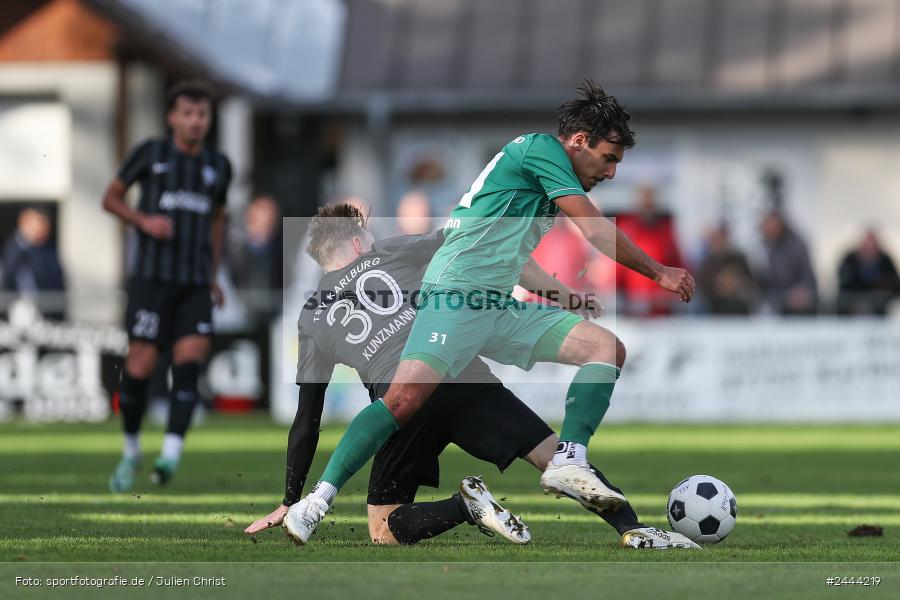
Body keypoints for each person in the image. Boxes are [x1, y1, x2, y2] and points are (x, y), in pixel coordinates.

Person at [287, 80, 695, 544]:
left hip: (494, 305)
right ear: (580, 142)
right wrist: (659, 272)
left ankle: (593, 484)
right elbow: (595, 229)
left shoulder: (540, 184)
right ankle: (315, 502)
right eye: (609, 158)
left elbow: (512, 259)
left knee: (605, 348)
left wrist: (564, 295)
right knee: (401, 401)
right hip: (456, 294)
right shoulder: (541, 149)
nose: (612, 172)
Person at [245, 203, 696, 549]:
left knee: (384, 528)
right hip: (457, 369)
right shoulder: (390, 250)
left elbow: (307, 420)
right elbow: (470, 240)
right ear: (359, 243)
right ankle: (632, 528)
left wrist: (289, 498)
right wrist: (555, 288)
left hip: (400, 403)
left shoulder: (310, 318)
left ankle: (465, 507)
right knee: (554, 456)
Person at [102, 81, 232, 491]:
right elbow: (110, 198)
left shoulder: (218, 166)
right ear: (172, 117)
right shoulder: (150, 153)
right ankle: (131, 450)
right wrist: (142, 220)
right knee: (140, 366)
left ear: (208, 120)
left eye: (202, 115)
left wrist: (213, 275)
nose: (195, 121)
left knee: (189, 362)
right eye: (188, 114)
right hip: (151, 280)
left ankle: (170, 455)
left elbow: (217, 219)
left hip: (194, 284)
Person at [615, 185, 684, 316]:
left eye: (650, 203)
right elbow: (618, 268)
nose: (647, 207)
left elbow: (678, 264)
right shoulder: (627, 231)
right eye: (644, 202)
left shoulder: (665, 232)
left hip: (661, 307)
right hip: (633, 306)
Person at [0, 208, 67, 320]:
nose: (44, 232)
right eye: (40, 227)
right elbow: (7, 279)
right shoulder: (11, 249)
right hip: (17, 308)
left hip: (46, 309)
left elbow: (57, 280)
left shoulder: (47, 250)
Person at [758, 211, 817, 315]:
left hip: (795, 303)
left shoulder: (796, 245)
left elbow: (806, 273)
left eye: (771, 225)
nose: (768, 229)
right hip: (773, 302)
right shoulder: (763, 246)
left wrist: (802, 290)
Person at [836, 229, 900, 316]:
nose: (869, 247)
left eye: (872, 244)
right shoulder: (849, 260)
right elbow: (844, 282)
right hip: (852, 305)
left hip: (880, 308)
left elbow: (894, 283)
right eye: (867, 244)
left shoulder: (886, 261)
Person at [696, 225, 756, 315]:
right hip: (714, 306)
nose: (719, 243)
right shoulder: (707, 263)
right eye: (716, 240)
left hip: (739, 306)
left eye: (721, 239)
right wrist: (719, 285)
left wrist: (738, 284)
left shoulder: (738, 259)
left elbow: (750, 281)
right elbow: (701, 285)